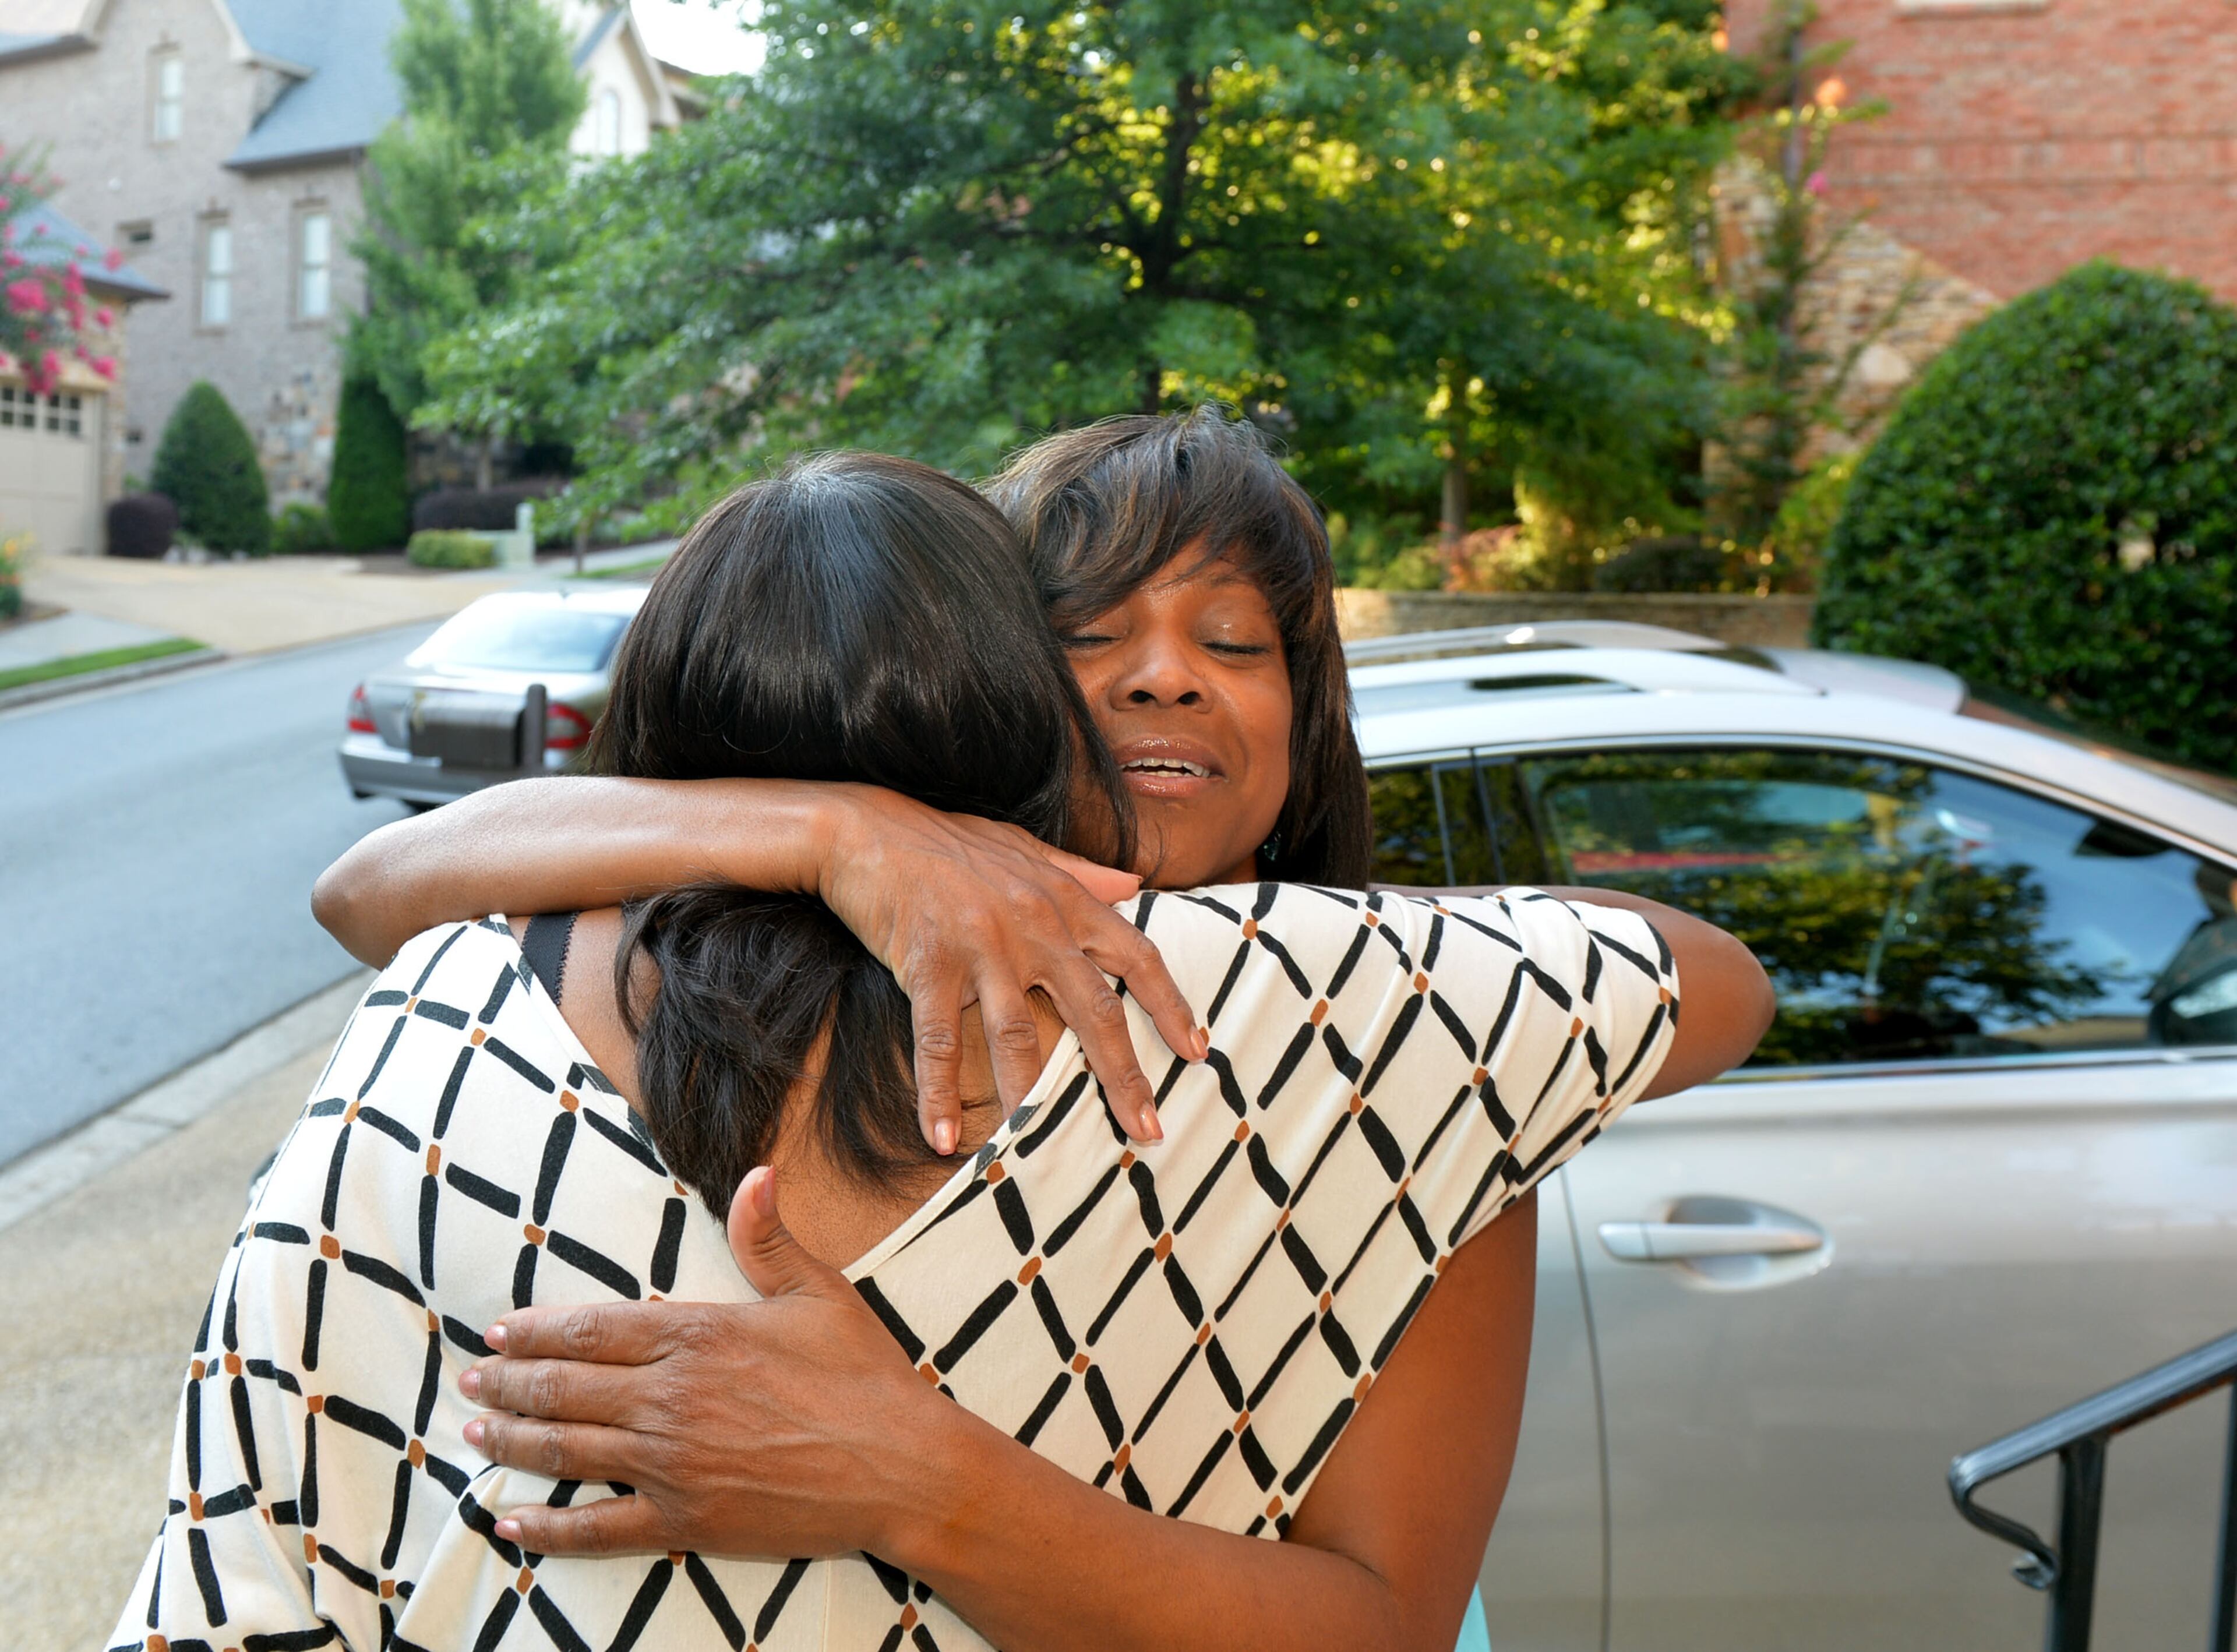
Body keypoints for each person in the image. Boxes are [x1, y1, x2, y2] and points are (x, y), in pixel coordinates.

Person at [264, 418, 1773, 1650]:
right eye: (1091, 630)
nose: (1166, 669)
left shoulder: (1410, 1054)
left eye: (1236, 641)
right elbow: (370, 886)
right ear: (978, 673)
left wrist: (917, 1480)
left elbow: (1384, 1619)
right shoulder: (819, 988)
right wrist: (835, 828)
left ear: (1309, 717)